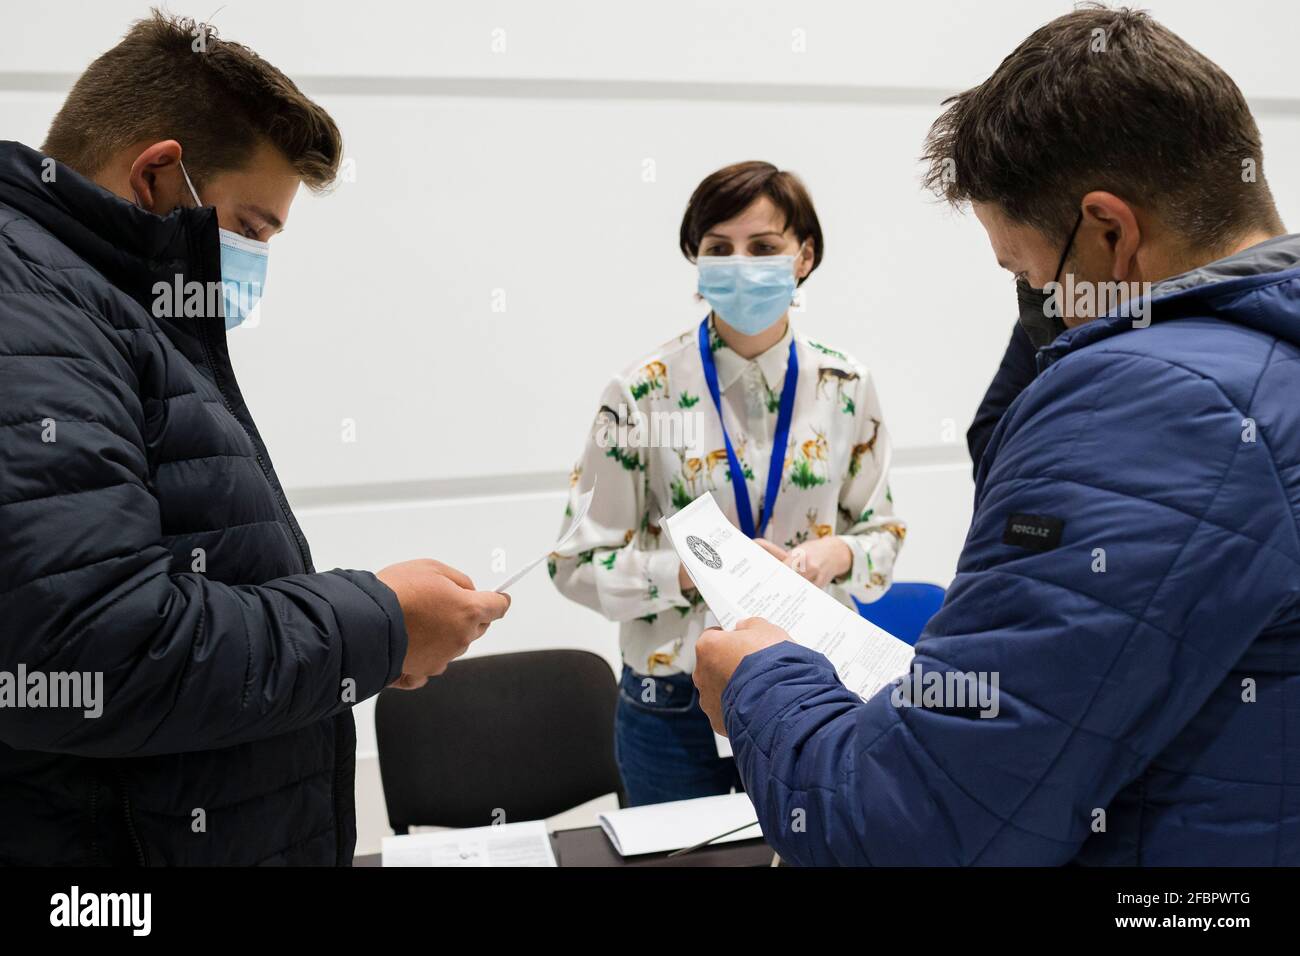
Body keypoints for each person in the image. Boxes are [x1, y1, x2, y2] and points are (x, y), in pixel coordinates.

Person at [693, 5, 1300, 865]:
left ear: (1111, 231)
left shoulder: (1150, 406)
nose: (1032, 310)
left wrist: (761, 681)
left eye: (1024, 273)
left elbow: (913, 827)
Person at [0, 12, 509, 866]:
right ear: (158, 175)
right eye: (253, 227)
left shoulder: (104, 304)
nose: (255, 258)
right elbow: (95, 649)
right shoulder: (34, 311)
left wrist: (375, 635)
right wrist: (380, 622)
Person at [552, 161, 904, 805]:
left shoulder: (846, 386)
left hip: (814, 691)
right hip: (673, 711)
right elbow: (574, 564)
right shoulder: (641, 392)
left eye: (764, 247)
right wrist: (696, 570)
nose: (741, 263)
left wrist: (830, 556)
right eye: (720, 248)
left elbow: (882, 533)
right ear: (697, 260)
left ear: (804, 257)